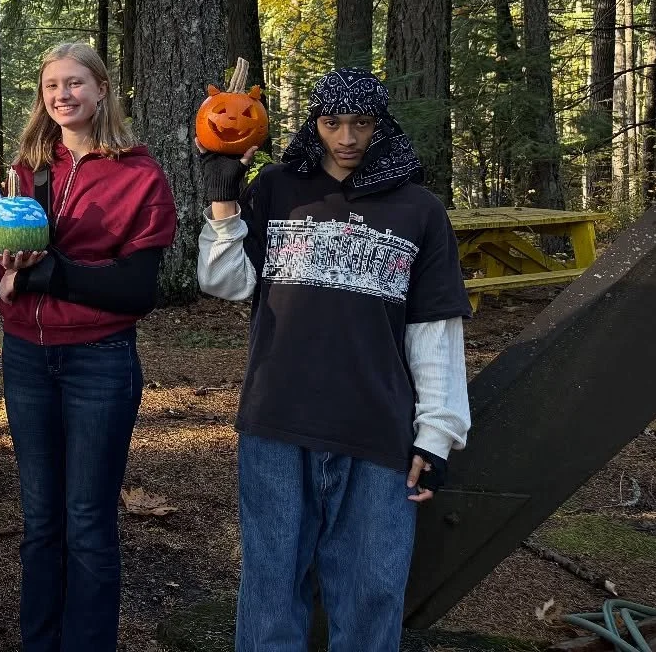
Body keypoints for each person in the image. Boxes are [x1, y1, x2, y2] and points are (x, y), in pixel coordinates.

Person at [196, 66, 472, 652]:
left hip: (376, 427)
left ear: (382, 125)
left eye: (361, 124)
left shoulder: (418, 209)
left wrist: (437, 434)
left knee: (371, 592)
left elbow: (435, 327)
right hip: (277, 420)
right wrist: (225, 200)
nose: (346, 138)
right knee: (271, 588)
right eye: (332, 123)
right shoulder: (277, 188)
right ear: (314, 125)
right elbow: (228, 283)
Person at [0, 42, 176, 652]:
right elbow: (7, 265)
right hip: (25, 356)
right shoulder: (27, 171)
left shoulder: (139, 176)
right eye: (51, 87)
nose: (62, 95)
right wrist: (7, 267)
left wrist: (47, 275)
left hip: (99, 360)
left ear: (101, 91)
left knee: (89, 521)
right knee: (40, 521)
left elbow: (136, 289)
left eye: (75, 84)